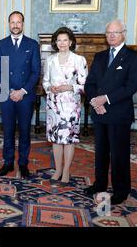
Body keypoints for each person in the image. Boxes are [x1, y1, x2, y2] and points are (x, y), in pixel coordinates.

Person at [84, 19, 137, 205]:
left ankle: (121, 190)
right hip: (99, 112)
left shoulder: (134, 57)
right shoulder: (100, 56)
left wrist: (106, 99)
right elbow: (90, 83)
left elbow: (133, 85)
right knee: (100, 152)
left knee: (119, 154)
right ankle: (100, 184)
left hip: (119, 114)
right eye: (108, 32)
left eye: (115, 33)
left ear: (123, 34)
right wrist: (95, 101)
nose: (111, 36)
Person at [0, 11, 41, 178]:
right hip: (6, 95)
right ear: (8, 24)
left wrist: (22, 91)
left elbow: (36, 72)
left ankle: (23, 163)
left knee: (24, 130)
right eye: (12, 22)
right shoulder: (1, 45)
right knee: (7, 130)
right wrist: (10, 91)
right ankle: (7, 162)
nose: (15, 25)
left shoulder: (32, 44)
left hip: (25, 96)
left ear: (23, 24)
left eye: (18, 22)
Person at [42, 27, 87, 183]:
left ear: (71, 42)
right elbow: (45, 81)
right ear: (55, 42)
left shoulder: (79, 60)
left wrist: (68, 87)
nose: (62, 43)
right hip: (53, 106)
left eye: (65, 40)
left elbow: (84, 85)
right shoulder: (50, 60)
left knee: (68, 139)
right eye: (59, 40)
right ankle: (58, 170)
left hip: (71, 106)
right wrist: (50, 88)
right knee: (56, 139)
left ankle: (66, 170)